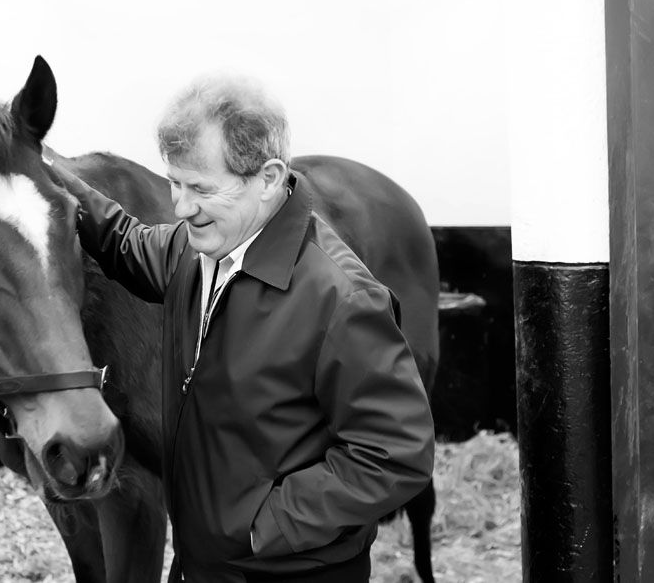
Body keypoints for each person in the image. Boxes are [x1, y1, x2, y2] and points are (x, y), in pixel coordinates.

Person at [48, 75, 435, 582]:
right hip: (204, 566)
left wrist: (264, 528)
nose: (182, 207)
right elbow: (125, 240)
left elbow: (397, 451)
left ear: (269, 178)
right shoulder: (194, 249)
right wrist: (47, 168)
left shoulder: (340, 298)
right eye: (175, 184)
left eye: (202, 189)